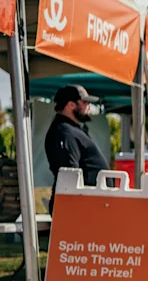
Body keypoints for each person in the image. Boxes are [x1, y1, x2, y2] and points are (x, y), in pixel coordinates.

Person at [45, 84, 106, 212]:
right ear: (71, 105)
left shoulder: (70, 130)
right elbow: (70, 174)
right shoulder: (63, 132)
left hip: (88, 204)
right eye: (84, 102)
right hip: (77, 208)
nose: (88, 106)